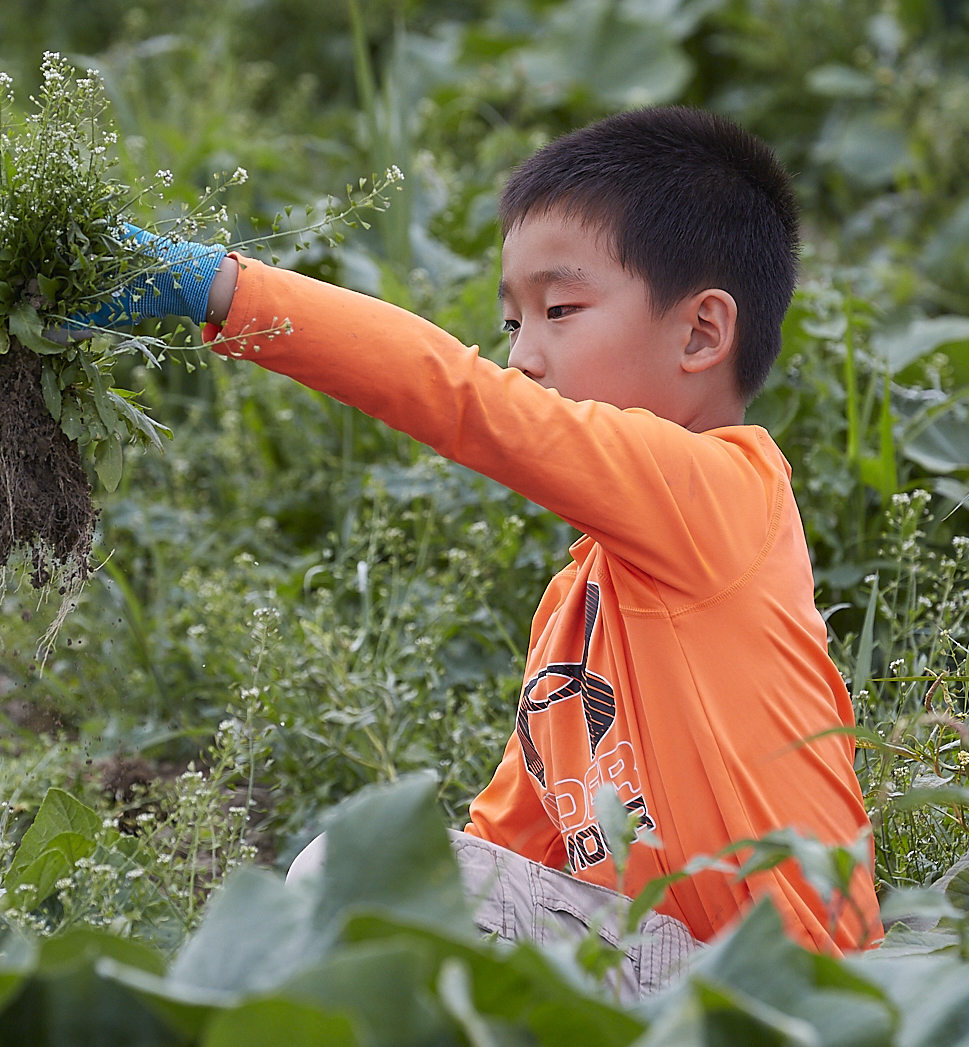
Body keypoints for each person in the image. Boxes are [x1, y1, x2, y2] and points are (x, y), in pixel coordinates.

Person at [91, 106, 882, 987]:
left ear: (701, 332)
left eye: (560, 309)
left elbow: (469, 405)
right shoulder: (574, 611)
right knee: (397, 883)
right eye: (513, 325)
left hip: (795, 996)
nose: (524, 359)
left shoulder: (727, 495)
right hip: (667, 980)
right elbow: (506, 847)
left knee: (349, 881)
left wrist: (221, 289)